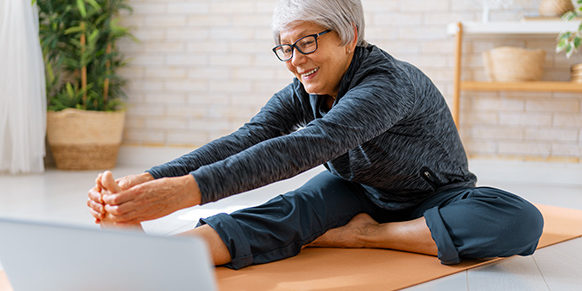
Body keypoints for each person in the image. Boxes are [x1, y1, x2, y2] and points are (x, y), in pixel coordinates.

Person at [87, 0, 544, 270]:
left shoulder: (387, 84)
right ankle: (152, 259)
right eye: (286, 47)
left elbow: (307, 146)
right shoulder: (304, 86)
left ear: (349, 36)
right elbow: (250, 138)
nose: (295, 59)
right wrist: (146, 181)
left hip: (434, 197)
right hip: (356, 191)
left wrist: (187, 191)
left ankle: (363, 236)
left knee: (520, 221)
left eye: (308, 42)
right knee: (289, 211)